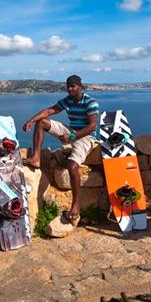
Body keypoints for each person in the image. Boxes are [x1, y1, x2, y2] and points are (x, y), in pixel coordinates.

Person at [23, 75, 99, 226]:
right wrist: (31, 120)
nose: (70, 89)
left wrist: (72, 136)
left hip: (85, 137)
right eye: (68, 86)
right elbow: (49, 111)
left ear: (80, 86)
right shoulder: (67, 100)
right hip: (71, 131)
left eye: (73, 86)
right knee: (42, 122)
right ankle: (36, 158)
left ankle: (76, 204)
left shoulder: (90, 102)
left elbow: (92, 126)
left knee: (72, 166)